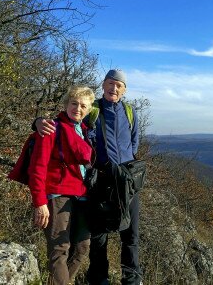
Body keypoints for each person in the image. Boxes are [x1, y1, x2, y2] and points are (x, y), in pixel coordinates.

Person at [36, 69, 141, 285]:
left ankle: (131, 279)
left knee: (130, 233)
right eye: (110, 83)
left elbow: (134, 142)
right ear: (103, 85)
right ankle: (99, 278)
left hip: (126, 181)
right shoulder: (91, 110)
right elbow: (64, 121)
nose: (114, 88)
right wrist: (38, 122)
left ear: (124, 90)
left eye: (118, 85)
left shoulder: (130, 112)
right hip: (100, 181)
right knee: (98, 236)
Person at [29, 86, 95, 285]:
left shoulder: (85, 131)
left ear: (89, 109)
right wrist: (40, 203)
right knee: (59, 248)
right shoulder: (51, 128)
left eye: (83, 105)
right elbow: (37, 169)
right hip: (57, 195)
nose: (78, 108)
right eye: (74, 103)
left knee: (82, 246)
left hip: (82, 195)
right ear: (66, 104)